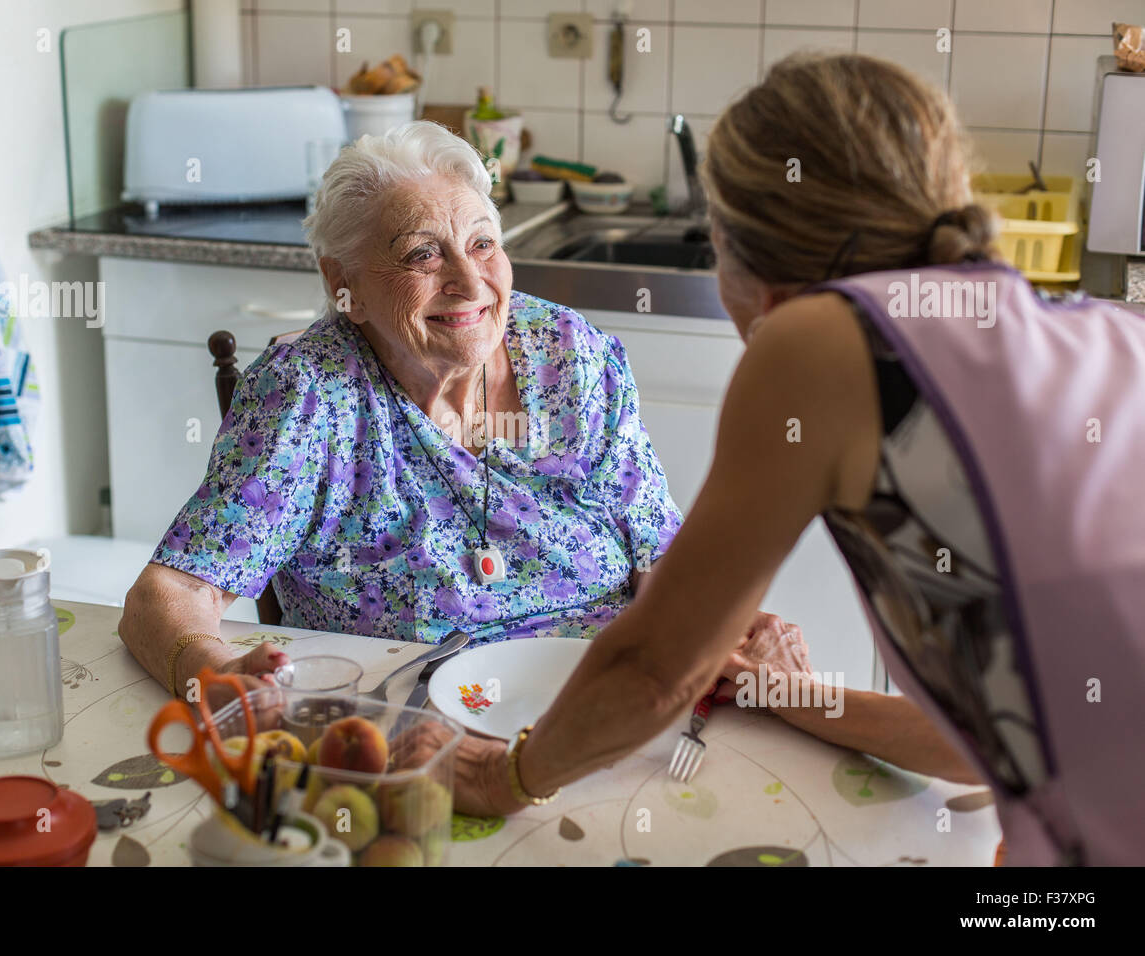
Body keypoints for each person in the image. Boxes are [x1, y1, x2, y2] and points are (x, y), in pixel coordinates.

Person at [443, 53, 1145, 867]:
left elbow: (651, 671)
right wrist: (783, 694)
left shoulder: (818, 342)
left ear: (743, 250)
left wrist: (507, 778)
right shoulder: (1109, 333)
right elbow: (980, 736)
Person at [119, 121, 709, 700]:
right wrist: (213, 675)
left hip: (610, 690)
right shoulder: (309, 398)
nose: (470, 283)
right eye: (423, 256)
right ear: (342, 281)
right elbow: (166, 595)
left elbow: (658, 550)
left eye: (482, 244)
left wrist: (710, 639)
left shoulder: (570, 353)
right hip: (409, 719)